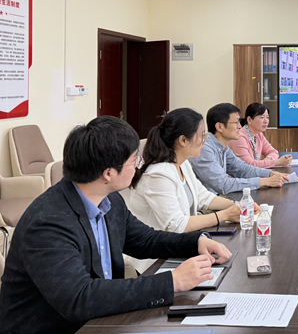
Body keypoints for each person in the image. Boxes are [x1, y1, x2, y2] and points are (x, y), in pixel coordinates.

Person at [0, 116, 231, 334]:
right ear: (108, 173)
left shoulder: (109, 200)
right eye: (134, 160)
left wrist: (195, 242)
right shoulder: (49, 223)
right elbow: (79, 298)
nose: (138, 166)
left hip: (103, 320)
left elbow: (145, 240)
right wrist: (171, 282)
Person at [128, 108, 256, 274]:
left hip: (178, 249)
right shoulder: (159, 174)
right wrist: (224, 215)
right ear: (183, 140)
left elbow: (204, 197)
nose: (205, 140)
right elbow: (176, 225)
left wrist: (237, 205)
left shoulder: (183, 164)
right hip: (153, 262)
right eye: (201, 135)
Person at [191, 103, 298, 196]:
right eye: (236, 122)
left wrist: (271, 174)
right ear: (219, 127)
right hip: (208, 205)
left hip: (219, 198)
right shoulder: (204, 148)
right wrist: (265, 181)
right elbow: (223, 184)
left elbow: (242, 169)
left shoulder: (223, 147)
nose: (239, 126)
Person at [229, 102, 293, 168]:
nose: (266, 121)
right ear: (249, 120)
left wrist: (268, 160)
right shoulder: (239, 137)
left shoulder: (259, 135)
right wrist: (277, 162)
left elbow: (273, 152)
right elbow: (249, 165)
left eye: (267, 117)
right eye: (262, 117)